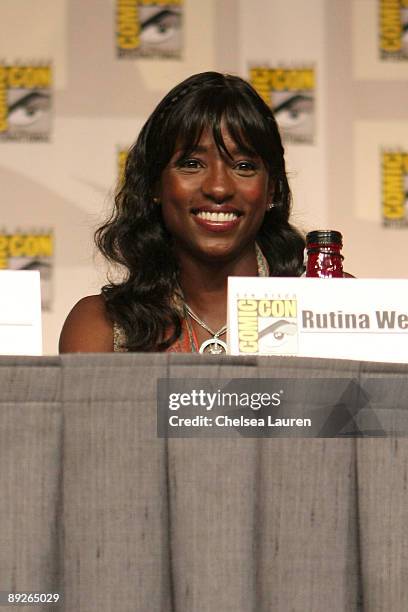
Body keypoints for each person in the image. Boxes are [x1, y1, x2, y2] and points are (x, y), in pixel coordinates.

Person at [59, 71, 305, 354]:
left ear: (271, 189)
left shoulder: (325, 309)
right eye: (192, 163)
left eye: (243, 166)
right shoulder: (102, 325)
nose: (219, 187)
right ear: (154, 184)